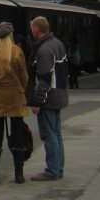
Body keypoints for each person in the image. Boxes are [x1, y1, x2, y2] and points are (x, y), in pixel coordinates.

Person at [0, 22, 30, 184]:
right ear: (10, 35)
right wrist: (21, 89)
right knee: (17, 136)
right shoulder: (16, 52)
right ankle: (19, 174)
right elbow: (24, 76)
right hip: (15, 97)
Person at [29, 16, 69, 181]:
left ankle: (52, 170)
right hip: (59, 94)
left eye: (32, 28)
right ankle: (58, 168)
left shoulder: (44, 50)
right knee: (57, 134)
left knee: (49, 135)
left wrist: (38, 101)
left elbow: (44, 78)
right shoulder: (58, 44)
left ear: (38, 29)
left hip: (49, 98)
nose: (31, 31)